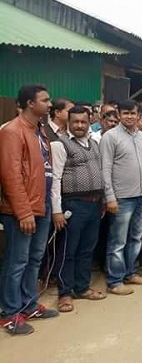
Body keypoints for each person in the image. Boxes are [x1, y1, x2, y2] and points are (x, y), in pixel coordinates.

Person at [0, 84, 59, 335]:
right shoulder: (12, 131)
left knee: (34, 259)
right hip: (22, 209)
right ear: (29, 103)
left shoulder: (39, 131)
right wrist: (23, 211)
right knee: (17, 262)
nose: (49, 104)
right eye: (45, 100)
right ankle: (9, 313)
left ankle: (29, 305)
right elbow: (10, 175)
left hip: (41, 203)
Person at [50, 106, 107, 313]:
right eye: (75, 122)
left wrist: (102, 200)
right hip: (73, 204)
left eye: (83, 121)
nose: (80, 125)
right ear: (68, 123)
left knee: (87, 248)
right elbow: (55, 178)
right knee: (68, 250)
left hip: (94, 204)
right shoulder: (60, 144)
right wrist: (56, 210)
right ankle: (65, 293)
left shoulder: (94, 143)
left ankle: (82, 287)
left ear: (89, 121)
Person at [101, 100, 142, 295]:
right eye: (125, 113)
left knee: (136, 238)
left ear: (138, 115)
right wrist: (109, 197)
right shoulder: (110, 137)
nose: (129, 117)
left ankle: (130, 272)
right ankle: (115, 280)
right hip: (122, 197)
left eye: (132, 113)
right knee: (118, 241)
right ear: (118, 115)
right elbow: (105, 169)